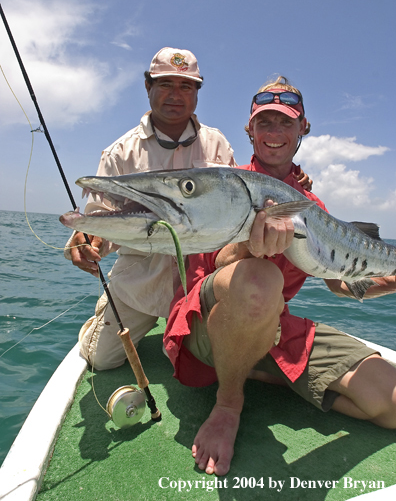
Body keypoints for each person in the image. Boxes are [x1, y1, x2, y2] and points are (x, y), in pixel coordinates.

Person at [164, 75, 396, 476]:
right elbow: (212, 268)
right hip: (205, 322)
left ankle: (256, 367)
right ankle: (228, 403)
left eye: (285, 122)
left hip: (271, 323)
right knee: (258, 279)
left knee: (389, 403)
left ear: (303, 128)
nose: (274, 133)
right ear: (249, 130)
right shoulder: (221, 185)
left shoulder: (311, 204)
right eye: (264, 122)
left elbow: (340, 282)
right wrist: (247, 248)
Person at [64, 47, 237, 370]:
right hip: (140, 284)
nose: (175, 95)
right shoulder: (120, 152)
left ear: (197, 92)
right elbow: (100, 216)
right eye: (165, 84)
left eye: (186, 86)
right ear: (148, 88)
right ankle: (104, 317)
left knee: (223, 362)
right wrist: (90, 238)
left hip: (200, 282)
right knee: (101, 361)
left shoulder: (218, 145)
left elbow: (237, 210)